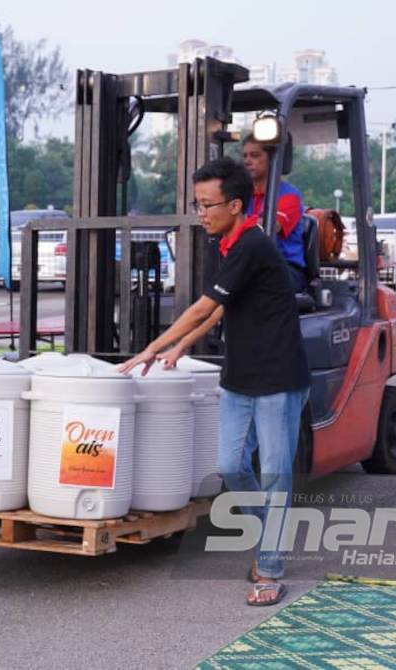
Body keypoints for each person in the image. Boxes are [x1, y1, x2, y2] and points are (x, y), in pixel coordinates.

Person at [120, 157, 309, 607]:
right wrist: (184, 344)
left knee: (276, 474)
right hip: (241, 375)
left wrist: (151, 347)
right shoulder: (222, 245)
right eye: (197, 203)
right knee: (230, 466)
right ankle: (270, 536)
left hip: (278, 378)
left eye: (208, 205)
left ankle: (271, 566)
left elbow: (204, 305)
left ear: (236, 205)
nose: (201, 212)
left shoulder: (253, 245)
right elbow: (223, 306)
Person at [242, 136, 308, 292]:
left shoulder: (288, 195)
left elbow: (268, 227)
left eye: (255, 155)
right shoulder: (241, 195)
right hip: (249, 266)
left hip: (285, 268)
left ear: (272, 159)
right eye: (245, 156)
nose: (247, 161)